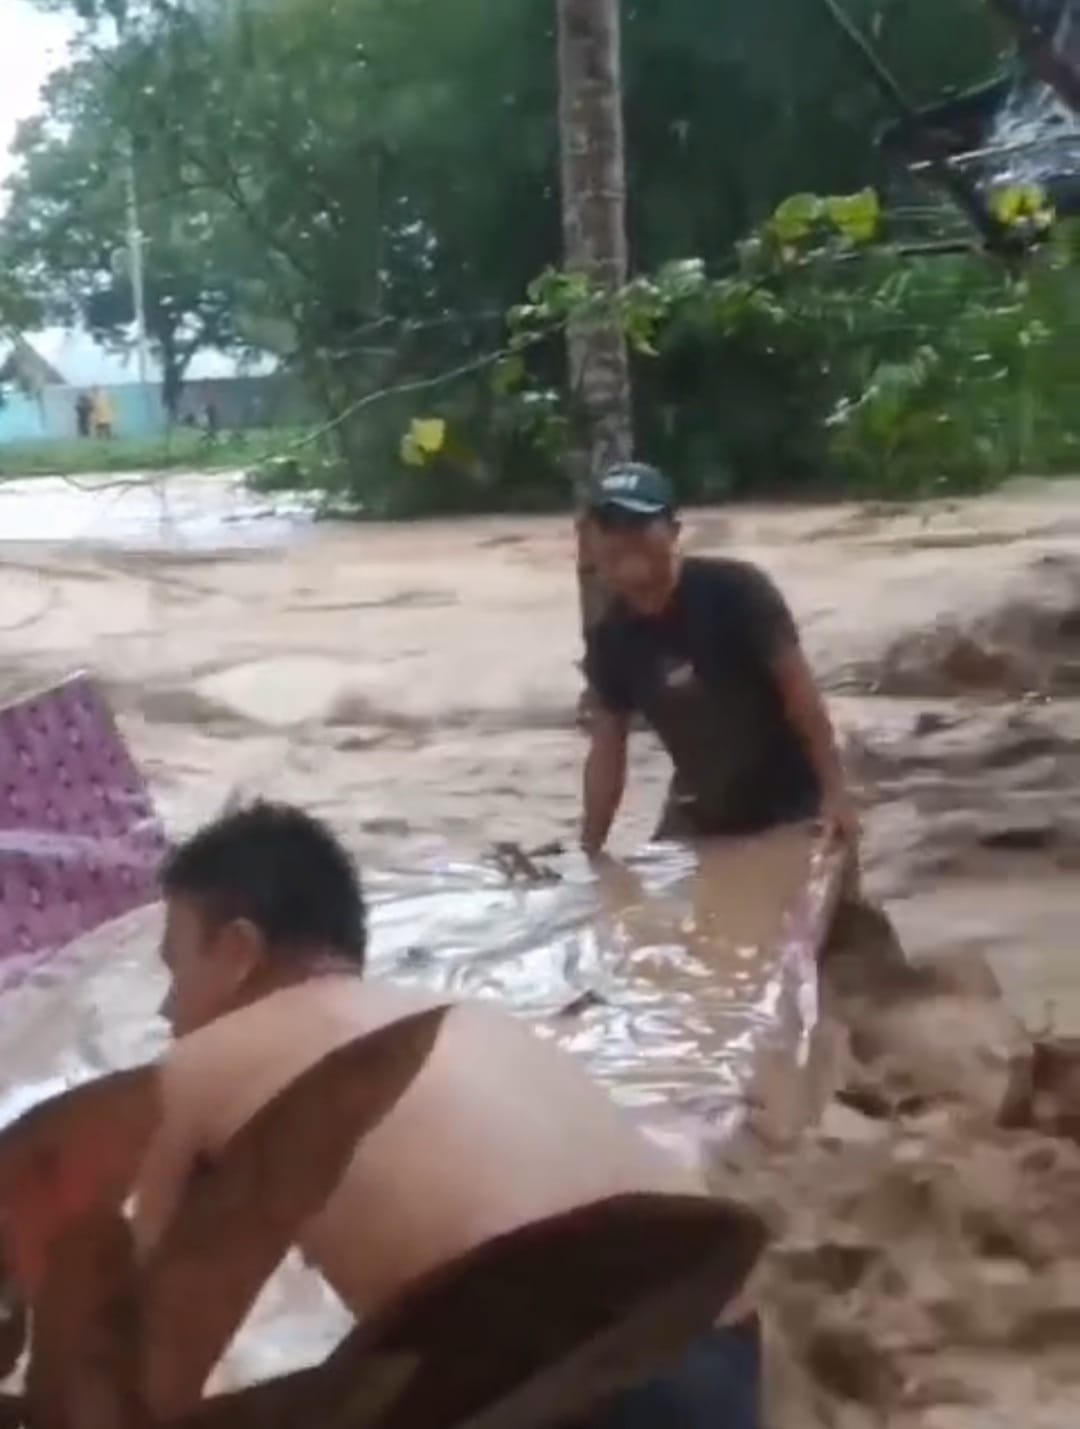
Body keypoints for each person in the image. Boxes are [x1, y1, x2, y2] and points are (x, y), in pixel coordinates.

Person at [134, 801, 762, 1426]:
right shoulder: (467, 1017)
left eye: (175, 967)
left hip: (562, 1387)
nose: (167, 1006)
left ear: (239, 949)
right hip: (719, 1336)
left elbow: (143, 1341)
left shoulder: (201, 1062)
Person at [581, 462, 856, 855]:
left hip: (795, 801)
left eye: (638, 523)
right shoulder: (611, 635)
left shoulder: (737, 591)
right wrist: (589, 850)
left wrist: (837, 794)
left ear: (674, 531)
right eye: (610, 526)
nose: (625, 538)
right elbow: (607, 750)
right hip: (705, 807)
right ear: (590, 541)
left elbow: (803, 699)